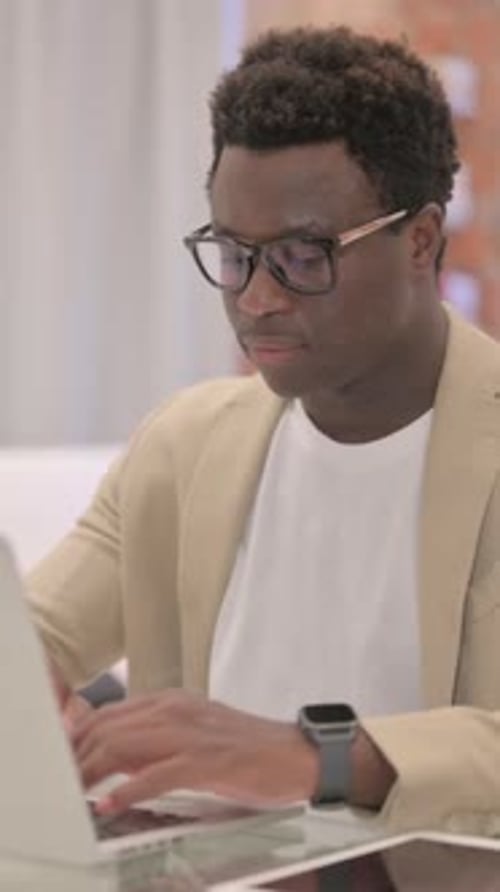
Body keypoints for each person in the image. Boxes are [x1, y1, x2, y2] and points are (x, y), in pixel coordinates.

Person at [27, 25, 500, 834]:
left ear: (420, 240)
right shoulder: (183, 445)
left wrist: (317, 755)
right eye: (234, 252)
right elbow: (35, 636)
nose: (255, 298)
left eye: (303, 256)